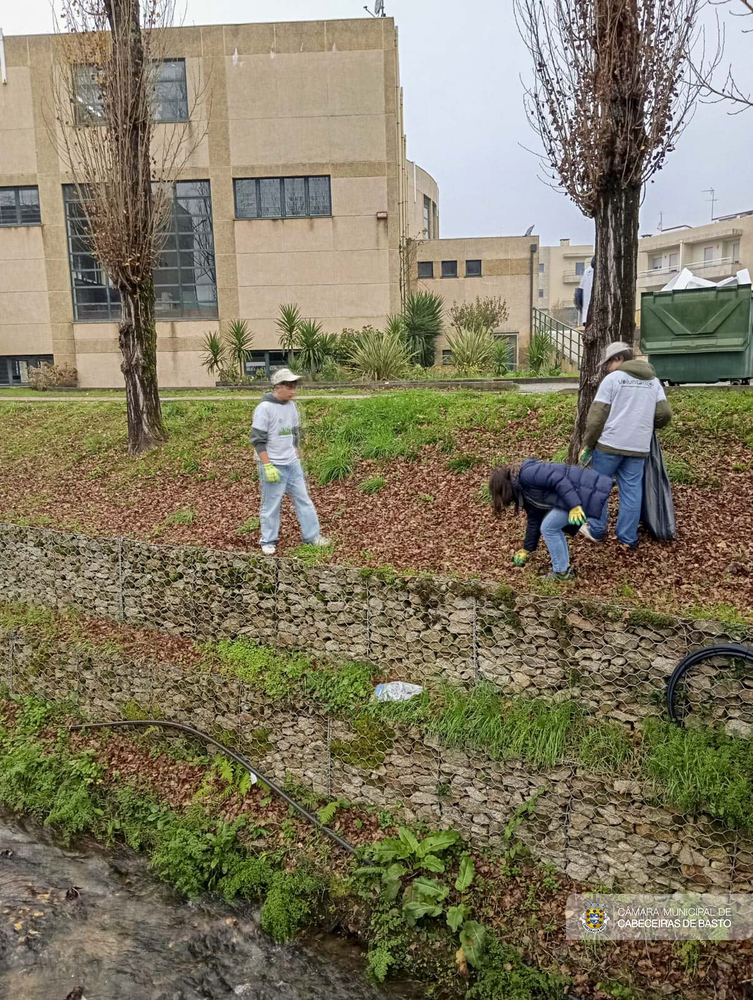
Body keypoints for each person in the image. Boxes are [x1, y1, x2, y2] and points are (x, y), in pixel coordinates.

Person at [579, 342, 672, 550]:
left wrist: (588, 443)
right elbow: (665, 414)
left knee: (599, 488)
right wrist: (647, 426)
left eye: (609, 363)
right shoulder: (654, 382)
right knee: (631, 491)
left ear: (618, 359)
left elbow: (596, 417)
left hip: (609, 445)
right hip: (638, 447)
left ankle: (596, 530)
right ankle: (627, 539)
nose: (608, 368)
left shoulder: (613, 380)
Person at [489, 459, 614, 581]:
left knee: (548, 528)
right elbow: (534, 518)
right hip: (574, 497)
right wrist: (527, 548)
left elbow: (559, 480)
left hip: (581, 494)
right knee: (550, 527)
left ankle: (561, 572)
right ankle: (564, 568)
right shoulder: (522, 490)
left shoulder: (528, 473)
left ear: (504, 487)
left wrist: (574, 505)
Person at [251, 369, 328, 556]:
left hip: (292, 464)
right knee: (271, 504)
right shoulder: (264, 408)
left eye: (295, 386)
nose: (293, 391)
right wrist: (267, 465)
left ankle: (312, 536)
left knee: (304, 499)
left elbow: (294, 432)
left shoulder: (292, 407)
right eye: (289, 387)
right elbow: (257, 440)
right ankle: (268, 540)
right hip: (273, 464)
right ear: (278, 387)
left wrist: (295, 453)